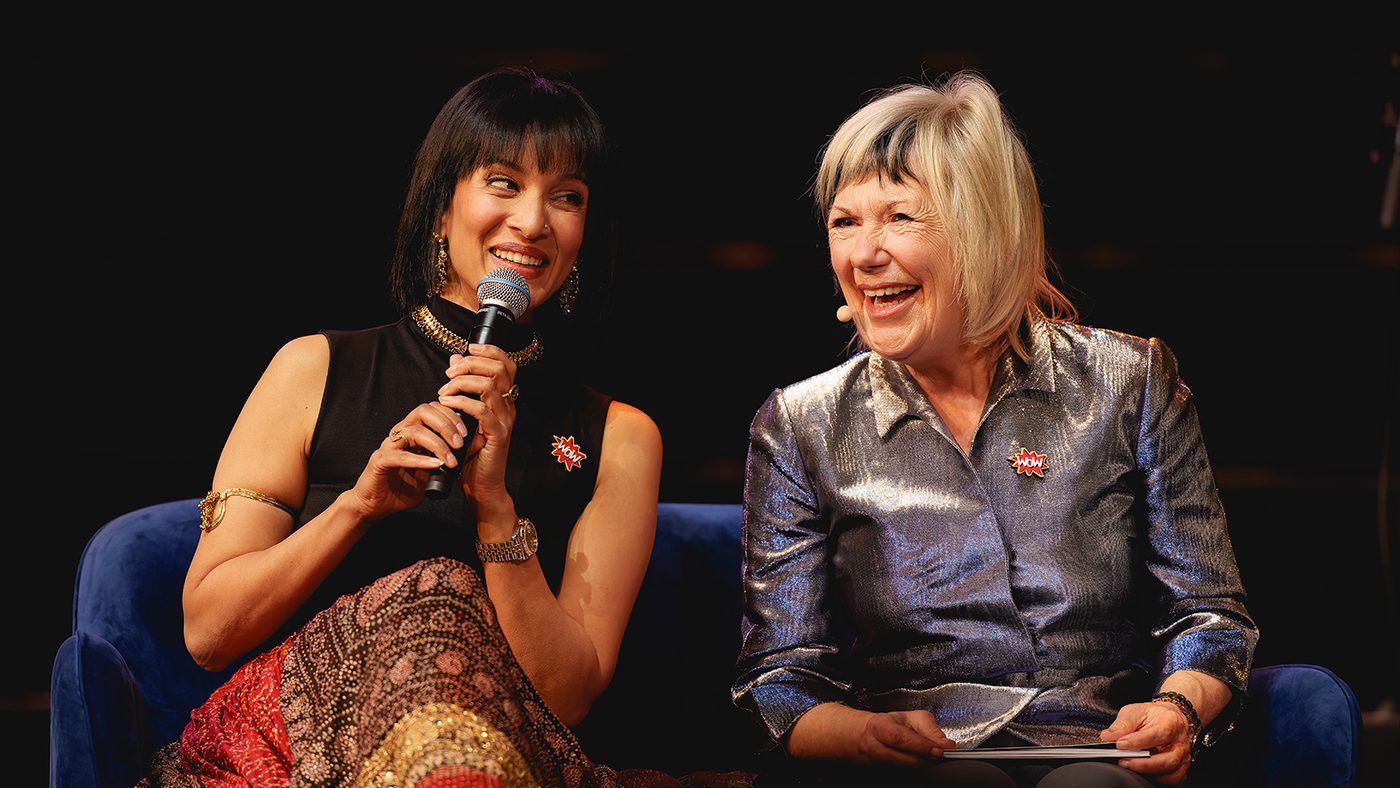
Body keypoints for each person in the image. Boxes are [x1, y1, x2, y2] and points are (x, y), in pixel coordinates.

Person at [138, 65, 667, 786]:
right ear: (441, 207)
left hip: (503, 750)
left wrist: (495, 511)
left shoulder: (619, 434)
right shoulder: (313, 369)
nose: (534, 221)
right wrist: (359, 507)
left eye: (565, 197)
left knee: (445, 595)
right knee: (430, 592)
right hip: (295, 747)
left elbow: (567, 695)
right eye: (504, 182)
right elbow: (208, 631)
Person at [733, 72, 1258, 788]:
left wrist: (1178, 706)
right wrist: (859, 734)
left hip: (1097, 743)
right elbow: (780, 679)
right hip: (923, 764)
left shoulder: (1128, 381)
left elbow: (1209, 614)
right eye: (844, 221)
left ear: (983, 226)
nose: (863, 255)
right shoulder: (802, 424)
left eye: (900, 217)